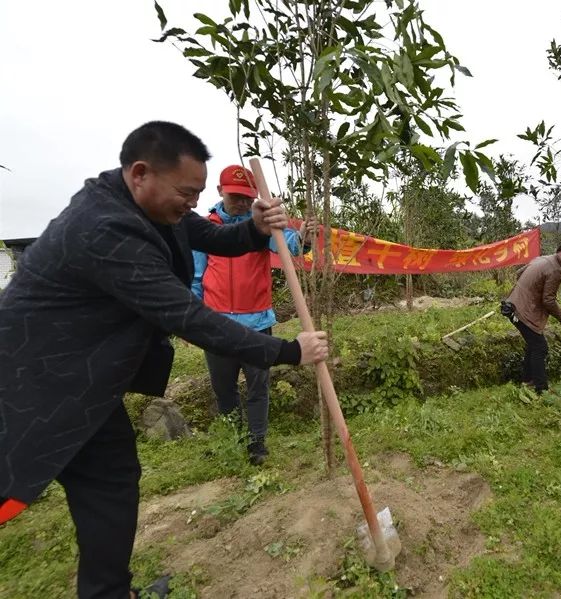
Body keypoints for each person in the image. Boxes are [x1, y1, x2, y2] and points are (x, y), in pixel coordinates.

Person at [0, 121, 330, 599]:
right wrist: (287, 351)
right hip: (33, 385)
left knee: (113, 477)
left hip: (85, 384)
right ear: (140, 173)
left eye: (198, 192)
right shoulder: (104, 231)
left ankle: (109, 591)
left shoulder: (155, 211)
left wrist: (257, 227)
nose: (193, 203)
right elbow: (189, 317)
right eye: (187, 192)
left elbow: (220, 240)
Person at [192, 165, 313, 465]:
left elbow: (288, 245)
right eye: (236, 197)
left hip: (257, 324)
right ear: (220, 192)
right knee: (224, 390)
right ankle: (234, 440)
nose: (243, 204)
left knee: (258, 387)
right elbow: (195, 278)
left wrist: (303, 237)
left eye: (248, 197)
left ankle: (256, 444)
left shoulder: (261, 227)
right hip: (217, 326)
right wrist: (194, 321)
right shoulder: (207, 227)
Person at [501, 238, 561, 394]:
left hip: (513, 307)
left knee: (534, 345)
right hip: (523, 313)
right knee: (540, 347)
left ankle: (527, 381)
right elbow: (548, 301)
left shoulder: (542, 258)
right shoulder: (556, 271)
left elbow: (519, 273)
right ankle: (541, 389)